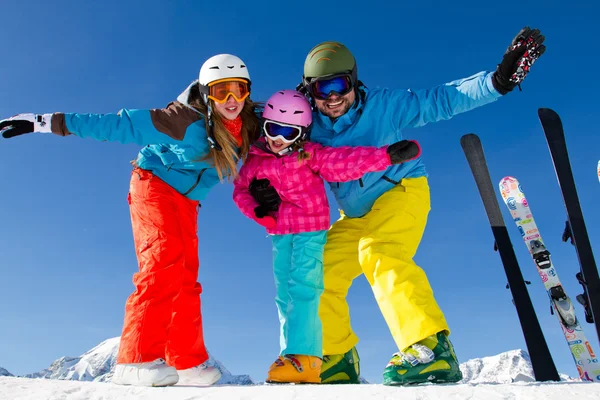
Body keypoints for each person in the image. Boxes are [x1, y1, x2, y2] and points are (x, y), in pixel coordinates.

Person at [253, 27, 546, 386]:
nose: (331, 98)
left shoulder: (385, 105)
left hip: (401, 191)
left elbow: (442, 100)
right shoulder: (307, 124)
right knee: (318, 268)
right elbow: (270, 140)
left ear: (353, 82)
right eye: (321, 89)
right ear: (308, 90)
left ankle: (430, 348)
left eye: (339, 86)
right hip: (356, 215)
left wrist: (497, 82)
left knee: (379, 252)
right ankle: (336, 356)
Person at [0, 54, 261, 387]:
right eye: (221, 90)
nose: (231, 100)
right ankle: (135, 360)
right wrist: (45, 121)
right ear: (207, 93)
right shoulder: (181, 120)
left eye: (238, 90)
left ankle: (186, 363)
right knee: (164, 257)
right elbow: (118, 125)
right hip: (153, 185)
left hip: (188, 201)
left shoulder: (250, 125)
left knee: (186, 276)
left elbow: (290, 127)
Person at [232, 90, 422, 384]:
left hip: (310, 231)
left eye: (288, 132)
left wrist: (385, 156)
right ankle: (291, 354)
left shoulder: (310, 153)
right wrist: (259, 210)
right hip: (279, 233)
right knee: (284, 296)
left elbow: (345, 162)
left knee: (306, 290)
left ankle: (308, 356)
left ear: (302, 133)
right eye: (273, 129)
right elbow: (240, 191)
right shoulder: (255, 160)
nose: (278, 138)